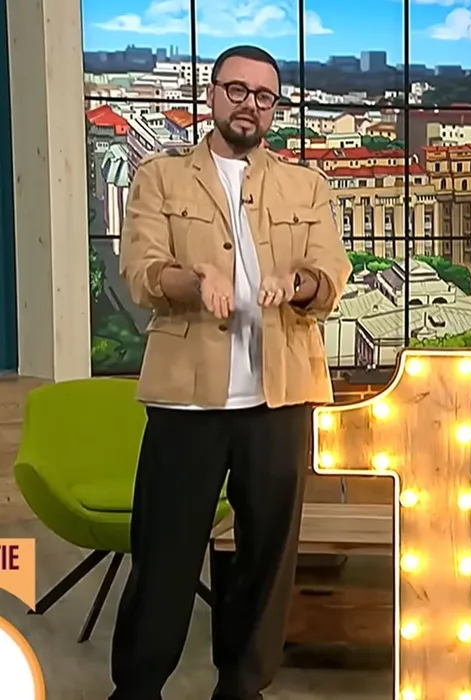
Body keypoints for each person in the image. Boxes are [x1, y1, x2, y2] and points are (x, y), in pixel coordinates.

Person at [109, 45, 352, 700]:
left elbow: (331, 274)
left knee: (265, 564)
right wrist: (194, 281)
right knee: (164, 557)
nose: (250, 105)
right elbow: (141, 270)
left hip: (280, 398)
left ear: (274, 108)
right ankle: (137, 688)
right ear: (213, 94)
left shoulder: (306, 186)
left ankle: (242, 689)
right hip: (187, 401)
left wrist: (297, 283)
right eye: (237, 90)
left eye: (264, 96)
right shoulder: (162, 177)